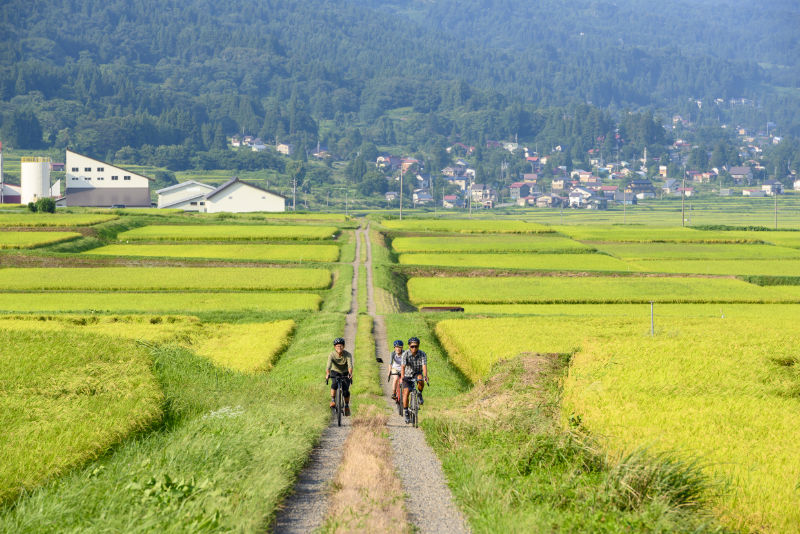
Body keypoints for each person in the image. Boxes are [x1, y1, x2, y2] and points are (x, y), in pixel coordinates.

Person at [400, 336, 428, 423]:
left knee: (420, 379)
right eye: (412, 346)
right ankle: (406, 412)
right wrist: (402, 377)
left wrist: (425, 376)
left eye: (416, 346)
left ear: (418, 346)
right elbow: (403, 367)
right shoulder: (405, 354)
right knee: (406, 393)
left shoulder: (422, 354)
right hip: (407, 375)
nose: (414, 348)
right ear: (409, 346)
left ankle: (419, 394)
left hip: (417, 372)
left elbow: (424, 366)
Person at [326, 337, 353, 416]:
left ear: (344, 346)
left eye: (341, 346)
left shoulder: (347, 354)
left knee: (346, 391)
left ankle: (347, 406)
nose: (339, 347)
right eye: (337, 346)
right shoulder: (332, 354)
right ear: (335, 347)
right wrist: (327, 373)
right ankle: (333, 400)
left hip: (345, 373)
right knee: (334, 384)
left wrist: (350, 373)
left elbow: (350, 365)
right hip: (335, 372)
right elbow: (328, 366)